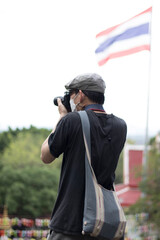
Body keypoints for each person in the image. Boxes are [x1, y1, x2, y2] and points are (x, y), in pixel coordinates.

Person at [41, 73, 127, 240]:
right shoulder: (120, 126)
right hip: (104, 224)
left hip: (70, 223)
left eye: (71, 94)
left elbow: (45, 155)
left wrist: (61, 117)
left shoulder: (72, 121)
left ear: (80, 95)